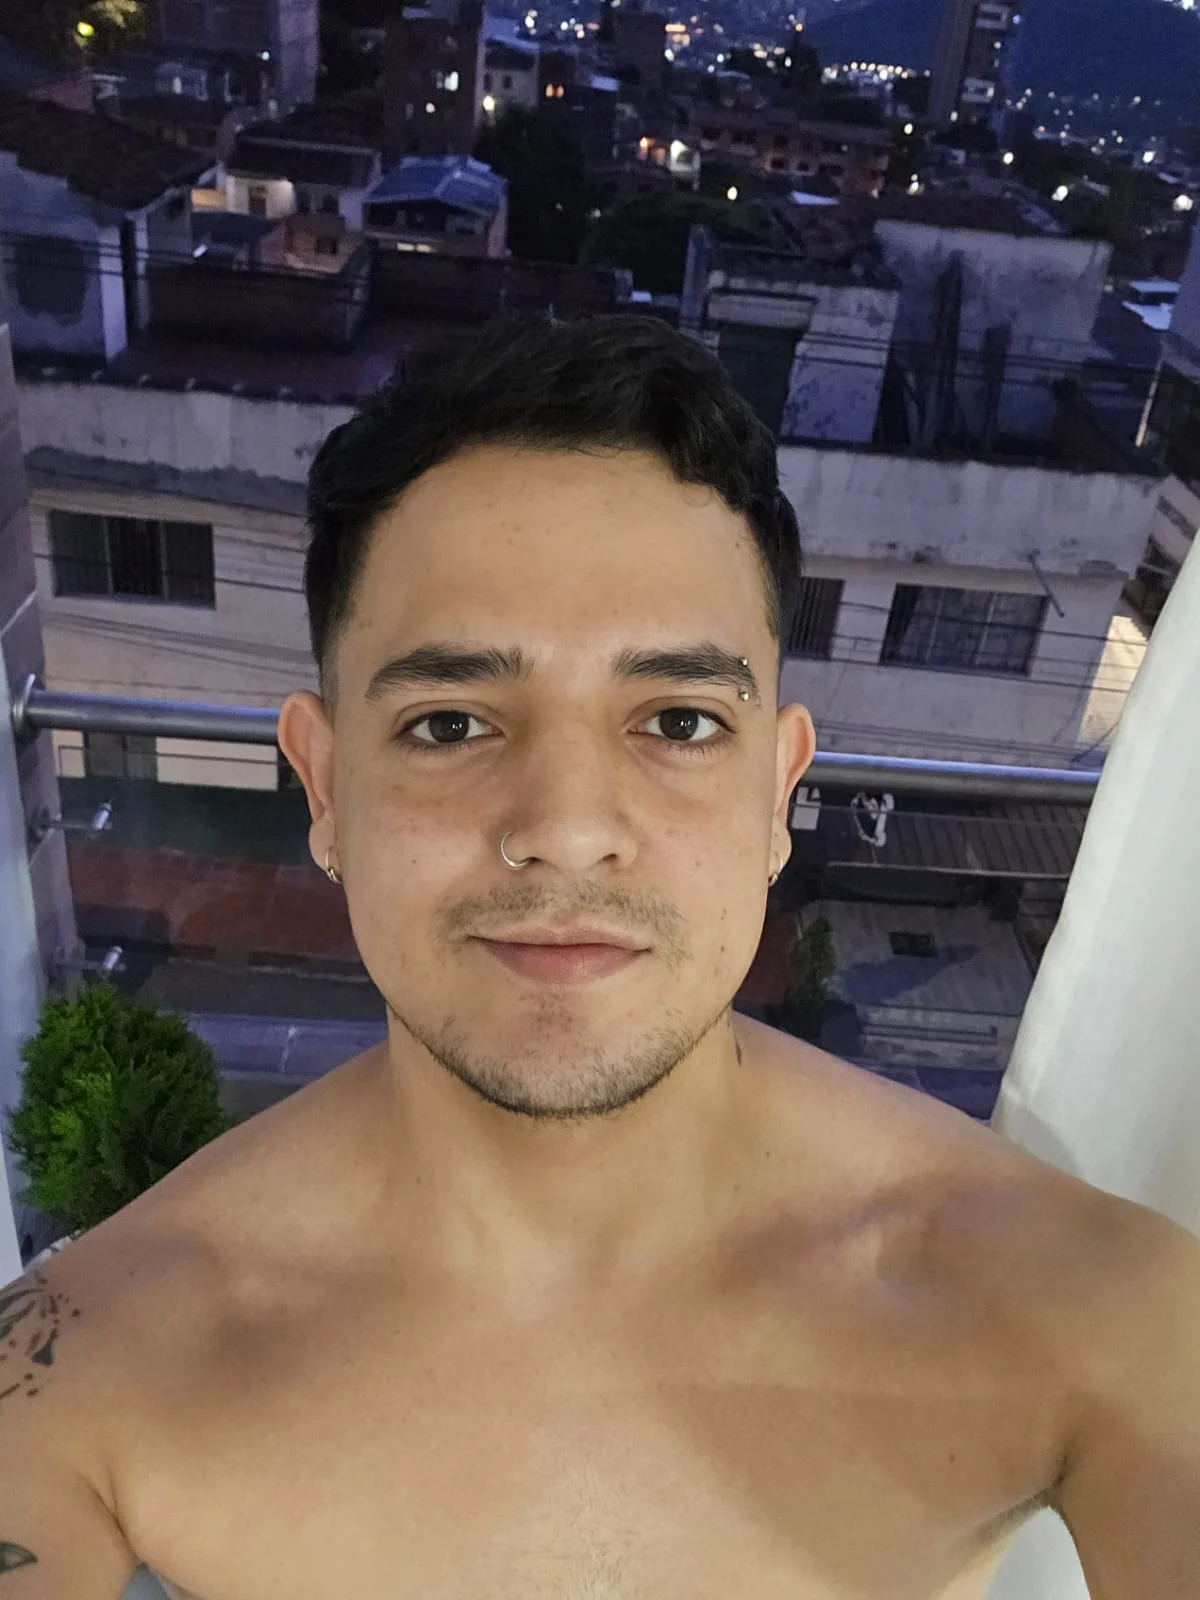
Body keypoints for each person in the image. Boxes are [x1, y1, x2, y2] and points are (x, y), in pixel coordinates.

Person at [1, 316, 1198, 1600]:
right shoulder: (85, 1371)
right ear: (326, 785)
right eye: (449, 723)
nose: (568, 828)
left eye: (678, 720)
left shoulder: (1094, 1307)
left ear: (778, 793)